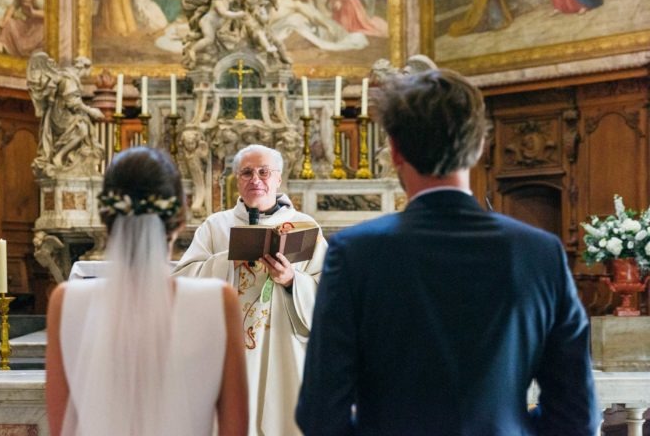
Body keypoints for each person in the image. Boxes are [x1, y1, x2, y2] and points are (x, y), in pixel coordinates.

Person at [296, 68, 601, 435]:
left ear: (393, 150)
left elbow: (320, 412)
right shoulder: (538, 253)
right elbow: (577, 414)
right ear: (480, 146)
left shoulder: (354, 252)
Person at [46, 146, 248, 435]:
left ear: (106, 217)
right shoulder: (219, 302)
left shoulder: (65, 302)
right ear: (180, 217)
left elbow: (61, 429)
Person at [174, 144, 328, 436]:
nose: (256, 179)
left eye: (264, 171)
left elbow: (328, 293)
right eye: (247, 172)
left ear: (278, 179)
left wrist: (292, 280)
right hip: (228, 349)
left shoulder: (305, 227)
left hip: (284, 346)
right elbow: (183, 280)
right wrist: (229, 262)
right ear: (237, 179)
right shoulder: (216, 227)